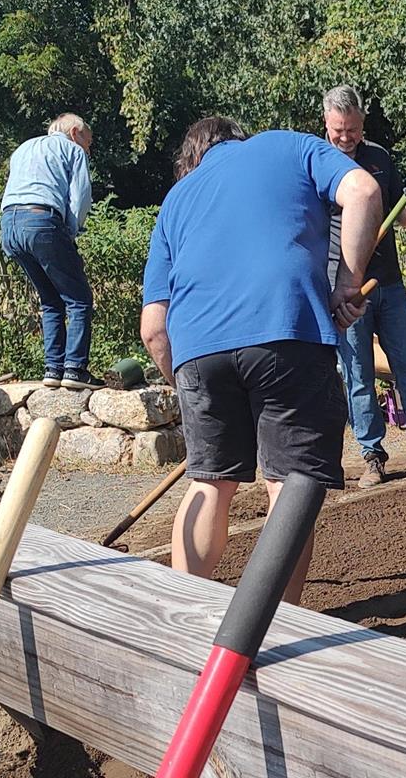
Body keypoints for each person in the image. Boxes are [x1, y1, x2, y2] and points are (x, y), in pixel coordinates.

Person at [140, 117, 382, 604]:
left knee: (209, 484)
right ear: (239, 139)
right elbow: (363, 190)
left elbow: (153, 329)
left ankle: (184, 619)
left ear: (194, 159)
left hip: (197, 350)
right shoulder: (288, 147)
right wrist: (348, 283)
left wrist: (192, 392)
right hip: (285, 330)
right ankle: (272, 628)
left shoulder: (177, 199)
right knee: (288, 487)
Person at [321, 85, 406, 487]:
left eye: (353, 129)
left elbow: (405, 220)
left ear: (362, 123)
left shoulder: (378, 158)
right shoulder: (317, 164)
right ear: (326, 123)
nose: (346, 137)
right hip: (346, 289)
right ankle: (372, 456)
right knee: (357, 375)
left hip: (388, 283)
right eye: (339, 130)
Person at [0, 113, 97, 390]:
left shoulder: (23, 148)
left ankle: (53, 369)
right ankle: (75, 369)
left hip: (9, 226)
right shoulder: (73, 150)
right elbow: (80, 197)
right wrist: (70, 233)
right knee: (79, 299)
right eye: (88, 142)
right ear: (75, 132)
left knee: (51, 299)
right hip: (41, 221)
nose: (88, 150)